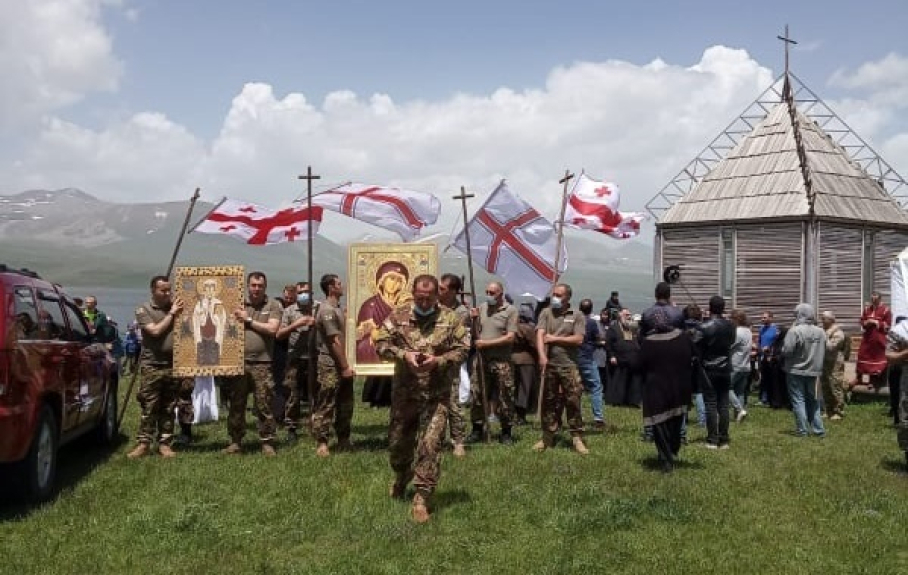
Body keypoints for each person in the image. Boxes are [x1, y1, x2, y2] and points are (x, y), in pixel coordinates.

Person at [375, 274, 469, 523]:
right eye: (420, 298)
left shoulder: (450, 318)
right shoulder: (398, 316)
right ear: (413, 294)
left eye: (429, 298)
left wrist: (439, 360)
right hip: (405, 394)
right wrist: (403, 354)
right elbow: (380, 343)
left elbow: (463, 348)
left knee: (430, 444)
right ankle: (402, 475)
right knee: (398, 444)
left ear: (437, 295)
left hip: (436, 395)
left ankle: (421, 497)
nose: (424, 303)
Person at [221, 271, 283, 456]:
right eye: (253, 285)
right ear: (247, 286)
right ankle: (235, 441)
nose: (256, 289)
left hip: (262, 363)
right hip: (238, 362)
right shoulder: (237, 304)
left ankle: (267, 441)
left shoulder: (273, 305)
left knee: (264, 403)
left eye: (260, 286)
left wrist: (248, 320)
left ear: (265, 287)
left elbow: (272, 329)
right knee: (236, 403)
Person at [127, 275, 185, 459]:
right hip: (152, 364)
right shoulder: (144, 309)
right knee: (149, 404)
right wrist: (172, 314)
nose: (167, 293)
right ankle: (144, 443)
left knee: (169, 405)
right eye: (163, 290)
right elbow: (155, 331)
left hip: (172, 364)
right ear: (153, 290)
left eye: (169, 290)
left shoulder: (177, 307)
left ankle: (165, 443)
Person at [638, 300, 697, 472]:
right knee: (675, 420)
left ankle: (665, 458)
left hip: (656, 387)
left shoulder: (648, 342)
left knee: (659, 424)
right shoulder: (683, 338)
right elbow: (693, 356)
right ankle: (672, 449)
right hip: (679, 386)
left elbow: (639, 364)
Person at [533, 283, 589, 454]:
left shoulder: (577, 315)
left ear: (568, 297)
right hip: (550, 364)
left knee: (573, 400)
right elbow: (540, 334)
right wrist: (541, 355)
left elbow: (578, 339)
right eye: (554, 294)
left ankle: (577, 437)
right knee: (549, 401)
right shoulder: (546, 312)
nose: (555, 298)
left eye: (559, 295)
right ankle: (547, 436)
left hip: (569, 365)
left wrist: (554, 339)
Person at [467, 281, 518, 445]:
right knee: (477, 393)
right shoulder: (482, 308)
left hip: (502, 361)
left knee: (505, 395)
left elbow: (510, 337)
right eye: (487, 292)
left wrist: (487, 344)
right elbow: (476, 334)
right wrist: (474, 320)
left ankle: (506, 431)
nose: (488, 295)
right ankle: (477, 429)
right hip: (482, 359)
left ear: (500, 294)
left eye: (492, 293)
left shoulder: (510, 311)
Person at [312, 274, 356, 457]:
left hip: (344, 361)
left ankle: (343, 439)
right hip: (330, 363)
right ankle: (322, 442)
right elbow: (334, 341)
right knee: (327, 402)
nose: (342, 286)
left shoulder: (337, 309)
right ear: (330, 288)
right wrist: (344, 367)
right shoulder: (327, 310)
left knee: (345, 403)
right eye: (338, 283)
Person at [276, 282, 316, 443]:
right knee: (293, 394)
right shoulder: (289, 311)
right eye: (300, 292)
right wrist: (296, 325)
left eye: (306, 292)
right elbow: (279, 334)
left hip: (314, 357)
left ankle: (317, 426)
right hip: (295, 358)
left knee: (316, 393)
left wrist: (316, 324)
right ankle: (291, 427)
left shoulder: (318, 308)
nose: (303, 295)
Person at [694, 295, 735, 450]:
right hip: (725, 368)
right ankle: (724, 439)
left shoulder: (704, 326)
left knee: (710, 404)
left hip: (709, 368)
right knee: (723, 404)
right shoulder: (731, 326)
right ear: (723, 308)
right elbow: (731, 342)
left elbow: (695, 344)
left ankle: (712, 439)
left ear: (710, 307)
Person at [781, 304, 826, 438]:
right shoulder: (821, 332)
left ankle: (802, 430)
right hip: (815, 371)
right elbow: (827, 347)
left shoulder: (794, 331)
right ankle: (819, 430)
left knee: (798, 400)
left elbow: (787, 350)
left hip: (796, 370)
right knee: (814, 401)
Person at [438, 273, 470, 457]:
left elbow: (453, 336)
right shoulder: (433, 307)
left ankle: (458, 441)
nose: (438, 291)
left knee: (453, 403)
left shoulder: (461, 312)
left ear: (452, 291)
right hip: (431, 361)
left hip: (449, 362)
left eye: (442, 288)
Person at [356, 261, 411, 364]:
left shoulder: (405, 304)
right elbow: (361, 338)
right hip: (379, 351)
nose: (394, 284)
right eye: (392, 278)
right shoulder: (370, 305)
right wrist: (372, 336)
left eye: (399, 281)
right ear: (382, 280)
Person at [578, 298, 606, 430]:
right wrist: (601, 342)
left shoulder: (575, 321)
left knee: (576, 388)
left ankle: (577, 416)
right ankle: (598, 418)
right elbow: (597, 338)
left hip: (575, 357)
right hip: (587, 358)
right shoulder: (592, 322)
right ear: (591, 309)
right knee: (596, 387)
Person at [605, 308, 642, 407]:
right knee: (620, 381)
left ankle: (633, 401)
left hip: (633, 359)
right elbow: (609, 344)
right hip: (619, 358)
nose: (629, 317)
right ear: (620, 316)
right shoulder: (613, 328)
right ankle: (618, 401)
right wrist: (612, 356)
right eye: (626, 315)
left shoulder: (633, 328)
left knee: (633, 382)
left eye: (629, 315)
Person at [856, 292, 891, 391]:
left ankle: (873, 380)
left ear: (879, 299)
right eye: (872, 299)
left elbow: (888, 325)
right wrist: (866, 322)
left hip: (878, 339)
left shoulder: (886, 310)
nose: (873, 301)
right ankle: (858, 378)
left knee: (876, 358)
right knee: (862, 355)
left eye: (875, 299)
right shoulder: (867, 309)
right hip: (867, 338)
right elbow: (862, 321)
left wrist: (876, 322)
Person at [512, 303, 538, 426]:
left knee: (515, 387)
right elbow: (535, 344)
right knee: (524, 388)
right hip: (527, 361)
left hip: (512, 358)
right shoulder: (528, 329)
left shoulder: (513, 327)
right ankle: (521, 415)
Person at [191, 279, 227, 366]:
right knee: (202, 358)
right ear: (204, 290)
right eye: (207, 288)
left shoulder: (218, 303)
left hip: (214, 334)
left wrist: (216, 316)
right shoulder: (199, 304)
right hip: (202, 334)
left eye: (212, 288)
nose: (209, 291)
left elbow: (222, 319)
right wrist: (201, 312)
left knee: (214, 358)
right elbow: (195, 319)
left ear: (215, 290)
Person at [820, 311, 848, 421]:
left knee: (835, 386)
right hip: (824, 362)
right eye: (822, 318)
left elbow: (831, 347)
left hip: (835, 363)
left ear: (831, 320)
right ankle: (828, 410)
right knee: (825, 386)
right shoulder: (823, 331)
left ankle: (838, 411)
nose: (822, 321)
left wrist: (824, 337)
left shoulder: (838, 333)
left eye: (824, 318)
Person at [729, 309, 753, 423]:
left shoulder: (737, 332)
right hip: (746, 365)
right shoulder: (748, 331)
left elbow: (729, 345)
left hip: (735, 364)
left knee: (726, 388)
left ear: (736, 319)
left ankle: (739, 409)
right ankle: (738, 418)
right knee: (740, 392)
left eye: (731, 318)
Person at [757, 311, 781, 407]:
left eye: (765, 317)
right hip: (762, 357)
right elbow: (759, 341)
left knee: (771, 379)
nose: (762, 319)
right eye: (762, 317)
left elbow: (777, 343)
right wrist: (759, 349)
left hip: (771, 358)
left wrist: (770, 350)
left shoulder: (775, 330)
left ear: (771, 318)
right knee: (763, 378)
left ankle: (770, 399)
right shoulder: (761, 329)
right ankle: (763, 398)